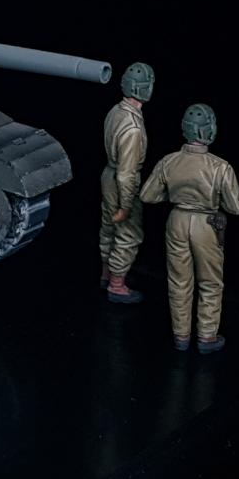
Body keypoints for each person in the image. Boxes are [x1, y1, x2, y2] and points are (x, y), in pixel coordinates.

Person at [140, 104, 239, 353]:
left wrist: (175, 196)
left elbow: (147, 195)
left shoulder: (169, 161)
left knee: (178, 280)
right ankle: (206, 336)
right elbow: (236, 207)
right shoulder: (220, 167)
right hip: (207, 225)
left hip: (176, 221)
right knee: (210, 282)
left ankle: (181, 335)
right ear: (210, 130)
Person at [100, 62, 154, 303]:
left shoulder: (116, 111)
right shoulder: (132, 127)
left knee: (108, 227)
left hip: (108, 175)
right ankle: (116, 284)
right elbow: (126, 173)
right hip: (121, 180)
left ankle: (106, 273)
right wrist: (126, 205)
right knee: (128, 233)